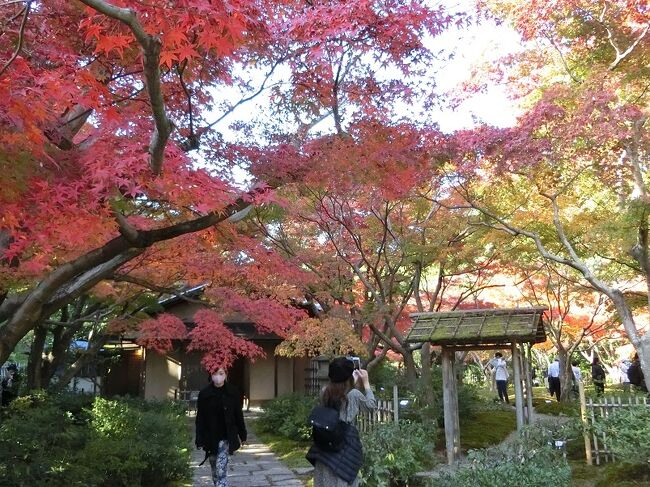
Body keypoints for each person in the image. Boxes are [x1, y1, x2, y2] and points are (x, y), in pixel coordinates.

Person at [307, 356, 377, 487]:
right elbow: (371, 406)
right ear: (349, 376)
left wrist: (349, 381)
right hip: (343, 451)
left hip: (324, 450)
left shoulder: (324, 392)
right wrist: (366, 383)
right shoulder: (354, 395)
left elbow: (338, 396)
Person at [195, 366, 247, 487]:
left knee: (221, 467)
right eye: (215, 373)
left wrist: (242, 435)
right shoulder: (204, 394)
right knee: (214, 465)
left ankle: (222, 485)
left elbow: (238, 415)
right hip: (210, 436)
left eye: (221, 373)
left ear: (226, 374)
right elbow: (200, 419)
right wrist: (199, 438)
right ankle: (218, 484)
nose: (218, 376)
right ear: (211, 375)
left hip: (226, 436)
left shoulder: (233, 392)